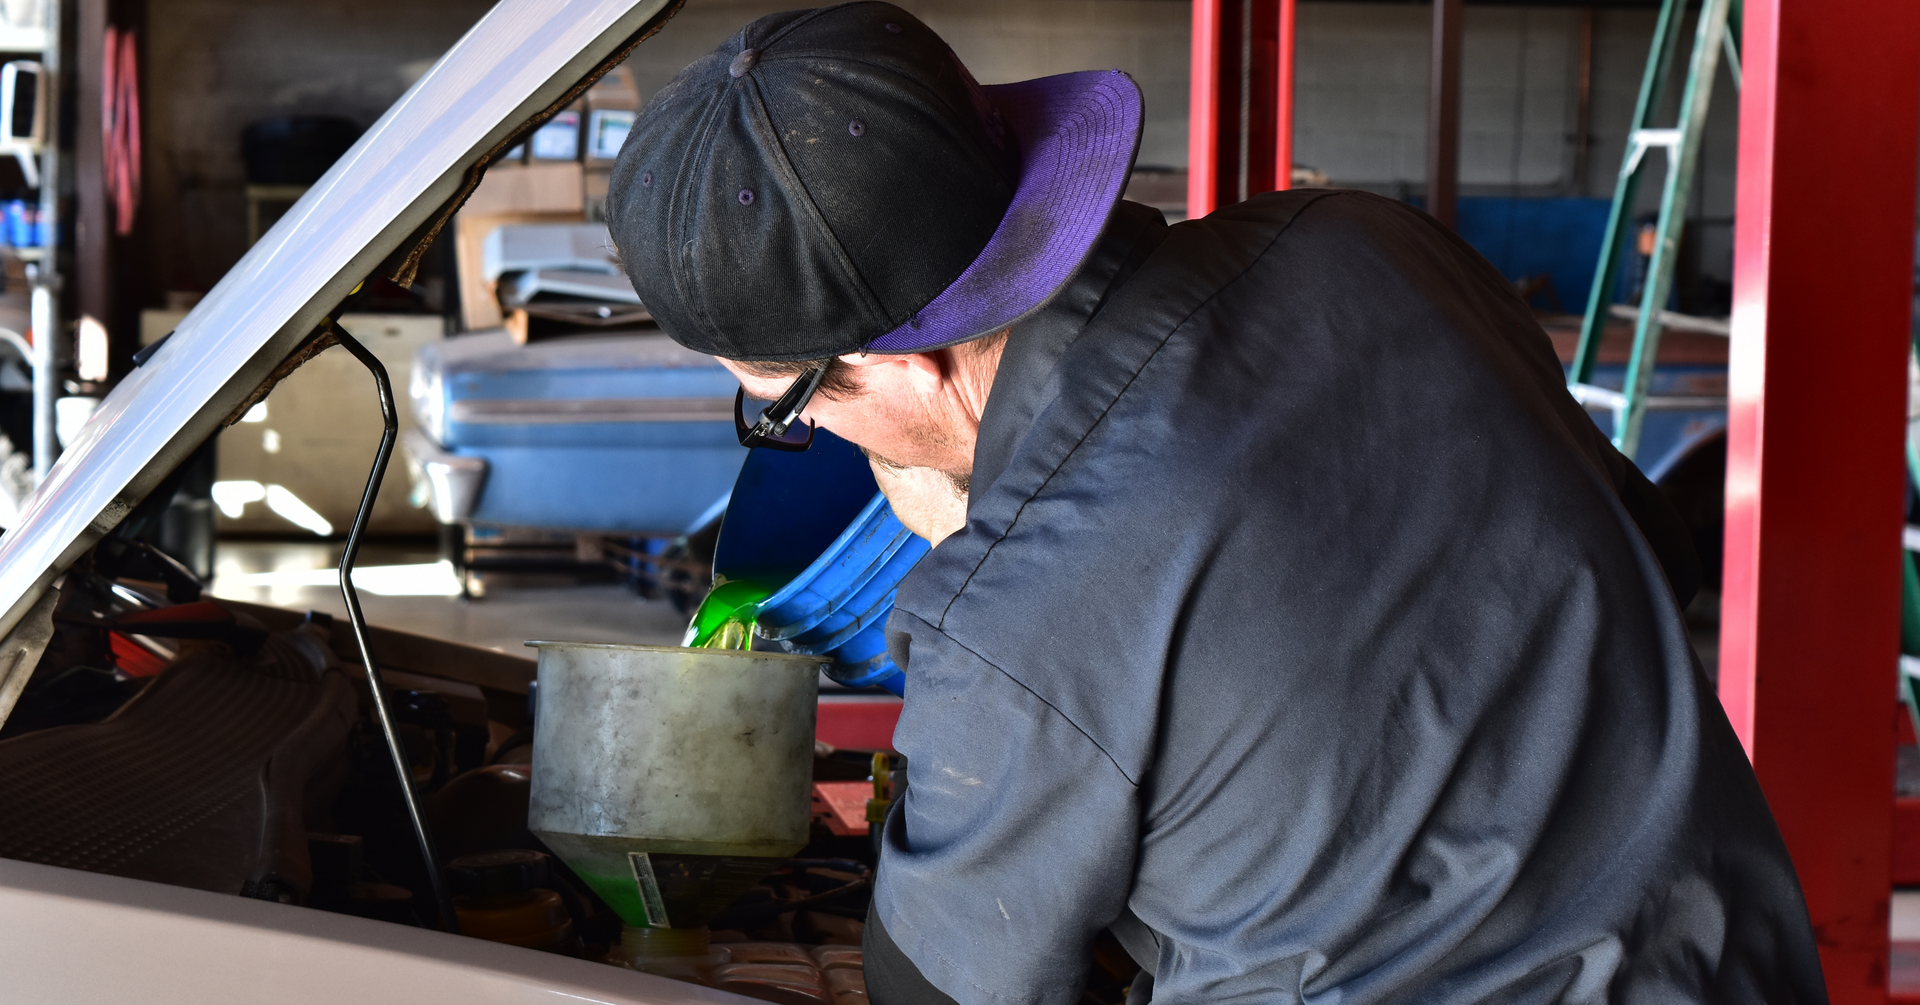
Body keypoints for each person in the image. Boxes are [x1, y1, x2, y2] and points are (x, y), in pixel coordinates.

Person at [605, 5, 1827, 1004]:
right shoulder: (1372, 245)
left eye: (790, 404)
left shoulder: (1016, 614)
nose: (807, 433)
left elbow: (936, 988)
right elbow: (1638, 556)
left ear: (911, 365)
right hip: (1730, 964)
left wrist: (979, 556)